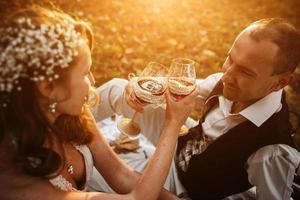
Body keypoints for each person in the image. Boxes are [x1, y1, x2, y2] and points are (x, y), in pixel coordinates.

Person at [0, 3, 200, 200]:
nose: (94, 82)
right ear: (48, 88)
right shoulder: (20, 183)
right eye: (85, 73)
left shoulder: (74, 113)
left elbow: (122, 176)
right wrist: (172, 124)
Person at [92, 18, 300, 199]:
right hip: (181, 143)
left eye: (245, 72)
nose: (226, 76)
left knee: (92, 176)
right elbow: (178, 88)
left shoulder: (272, 151)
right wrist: (138, 88)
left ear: (280, 83)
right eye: (230, 58)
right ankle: (67, 125)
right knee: (117, 89)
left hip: (185, 187)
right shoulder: (227, 83)